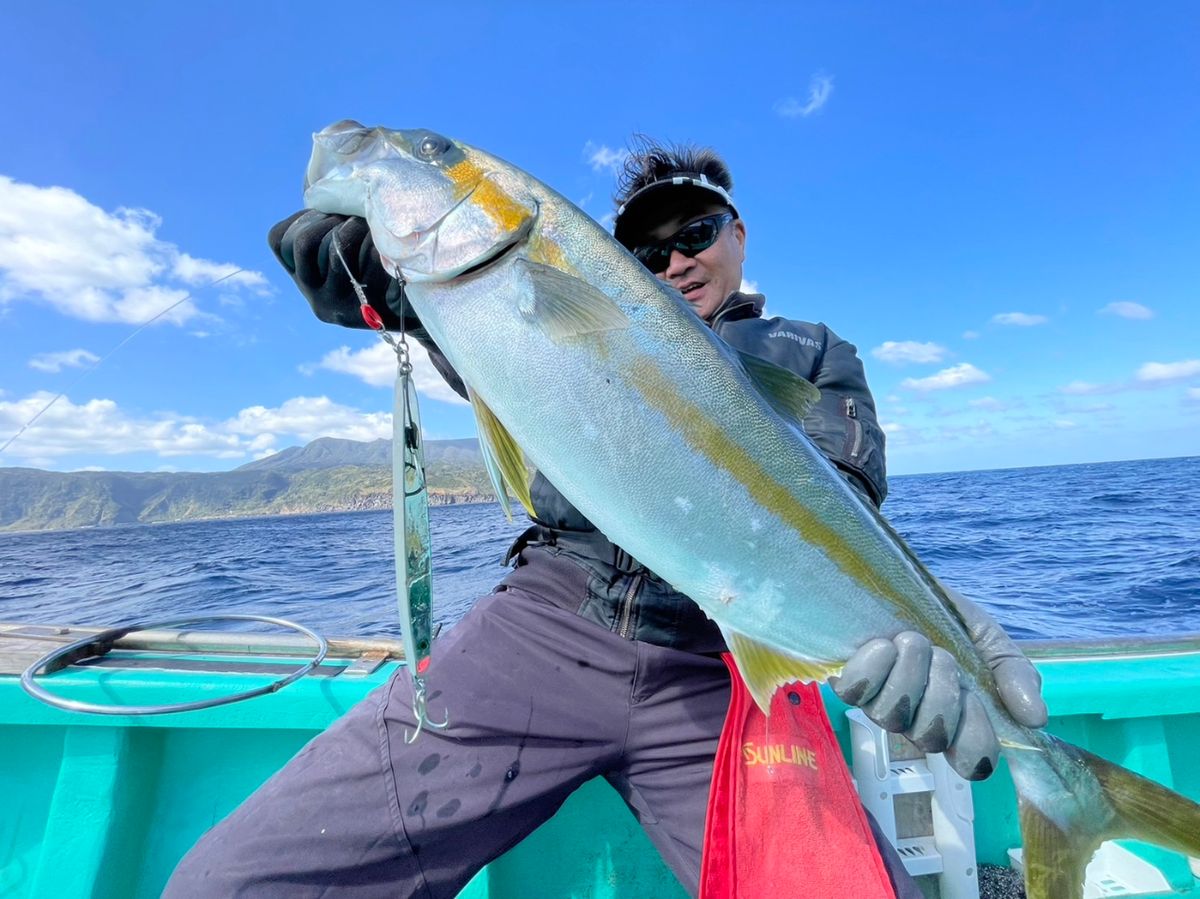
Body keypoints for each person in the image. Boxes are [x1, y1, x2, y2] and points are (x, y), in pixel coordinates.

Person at [164, 139, 1046, 898]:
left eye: (695, 234)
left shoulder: (808, 352)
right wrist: (397, 292)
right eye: (644, 250)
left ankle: (1062, 798)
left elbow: (836, 502)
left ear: (738, 236)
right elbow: (504, 344)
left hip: (731, 665)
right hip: (543, 626)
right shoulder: (538, 303)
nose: (675, 262)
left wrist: (926, 620)